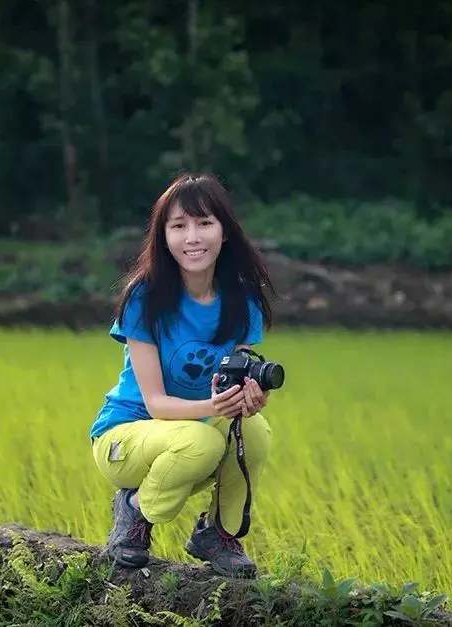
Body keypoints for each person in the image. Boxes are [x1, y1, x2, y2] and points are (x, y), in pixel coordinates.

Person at [89, 172, 277, 578]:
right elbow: (155, 403)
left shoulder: (242, 299)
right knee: (202, 441)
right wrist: (213, 406)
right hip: (125, 439)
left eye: (205, 223)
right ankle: (135, 510)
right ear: (165, 236)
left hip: (189, 440)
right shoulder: (146, 296)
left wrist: (247, 398)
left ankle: (218, 534)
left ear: (224, 231)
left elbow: (233, 378)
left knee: (255, 429)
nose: (193, 237)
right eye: (179, 226)